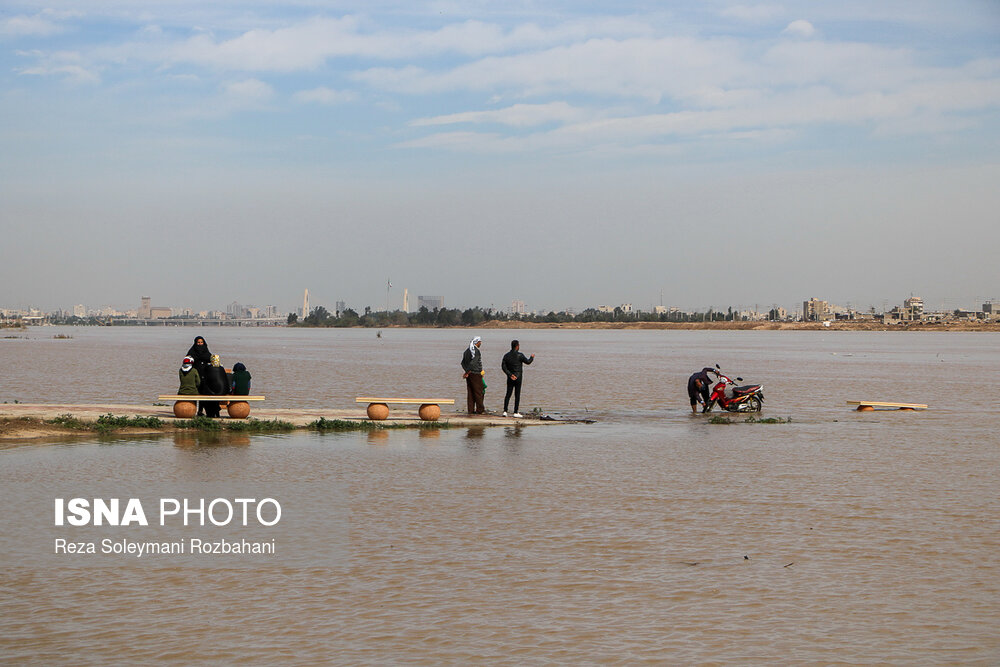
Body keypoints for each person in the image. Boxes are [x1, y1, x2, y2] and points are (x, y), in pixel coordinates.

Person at [501, 339, 535, 418]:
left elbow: (503, 367)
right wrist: (532, 357)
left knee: (508, 394)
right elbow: (528, 362)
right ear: (517, 346)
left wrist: (510, 374)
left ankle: (505, 411)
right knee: (517, 394)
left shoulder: (506, 355)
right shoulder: (520, 355)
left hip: (510, 377)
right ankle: (515, 412)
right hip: (518, 377)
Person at [186, 336, 212, 415]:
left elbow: (210, 358)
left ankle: (200, 410)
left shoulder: (206, 351)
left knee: (203, 393)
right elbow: (188, 360)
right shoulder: (192, 352)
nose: (200, 344)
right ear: (195, 343)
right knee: (194, 392)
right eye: (198, 343)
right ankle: (193, 409)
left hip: (204, 375)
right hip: (194, 375)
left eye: (201, 342)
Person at [200, 354, 230, 418]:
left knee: (206, 395)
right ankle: (216, 411)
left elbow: (205, 380)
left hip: (214, 392)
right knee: (214, 395)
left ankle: (210, 414)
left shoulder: (208, 368)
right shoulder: (221, 368)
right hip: (223, 391)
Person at [461, 336, 485, 415]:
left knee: (470, 392)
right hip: (476, 374)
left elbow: (462, 363)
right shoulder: (476, 351)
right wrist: (468, 371)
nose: (480, 343)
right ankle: (480, 410)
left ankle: (470, 410)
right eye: (480, 342)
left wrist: (466, 371)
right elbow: (474, 362)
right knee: (479, 392)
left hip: (470, 375)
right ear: (477, 342)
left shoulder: (467, 351)